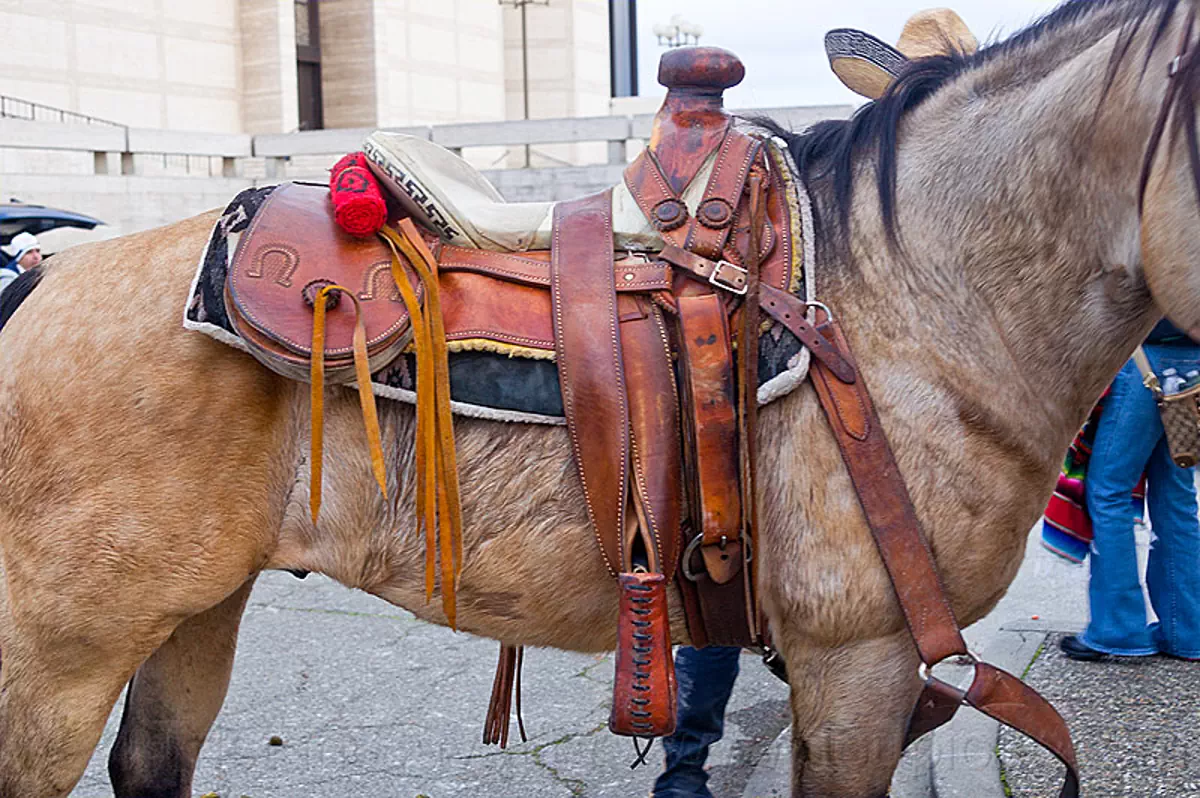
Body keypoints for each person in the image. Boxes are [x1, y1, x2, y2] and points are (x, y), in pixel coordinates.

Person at [653, 10, 980, 797]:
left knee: (738, 575)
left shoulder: (886, 176)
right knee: (719, 562)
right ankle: (690, 764)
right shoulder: (857, 169)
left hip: (837, 393)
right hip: (790, 382)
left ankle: (693, 766)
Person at [1060, 319, 1200, 661]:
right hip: (1192, 365)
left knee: (1109, 490)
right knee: (1176, 498)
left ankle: (1118, 629)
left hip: (1144, 359)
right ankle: (1189, 631)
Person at [0, 232, 43, 299]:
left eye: (37, 251)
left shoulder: (41, 273)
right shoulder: (8, 278)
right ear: (18, 257)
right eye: (28, 252)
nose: (36, 256)